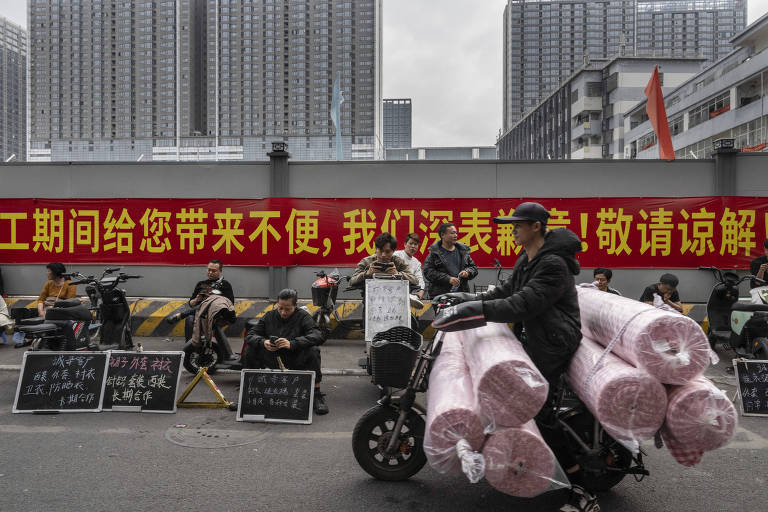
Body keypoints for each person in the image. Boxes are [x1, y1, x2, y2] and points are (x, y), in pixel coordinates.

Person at [430, 202, 598, 512]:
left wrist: (475, 310)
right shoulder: (529, 257)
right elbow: (506, 291)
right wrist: (469, 297)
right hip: (537, 334)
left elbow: (523, 303)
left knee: (539, 410)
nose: (513, 229)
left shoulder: (553, 265)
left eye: (518, 224)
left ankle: (581, 490)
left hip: (553, 341)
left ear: (536, 226)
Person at [244, 288, 328, 415]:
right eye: (280, 308)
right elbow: (250, 335)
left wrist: (293, 343)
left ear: (295, 305)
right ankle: (250, 392)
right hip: (273, 357)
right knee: (250, 348)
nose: (283, 312)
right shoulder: (269, 316)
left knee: (313, 350)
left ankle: (316, 395)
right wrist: (263, 342)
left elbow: (317, 335)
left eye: (288, 309)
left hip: (295, 358)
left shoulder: (303, 316)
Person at [166, 260, 235, 344]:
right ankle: (190, 346)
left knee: (210, 303)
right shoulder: (201, 284)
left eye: (213, 271)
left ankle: (181, 315)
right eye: (209, 270)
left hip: (216, 313)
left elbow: (230, 303)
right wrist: (196, 300)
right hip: (198, 313)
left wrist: (214, 299)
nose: (210, 272)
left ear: (220, 271)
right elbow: (191, 304)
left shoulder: (225, 285)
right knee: (190, 318)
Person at [423, 222, 478, 299]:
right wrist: (448, 279)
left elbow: (473, 268)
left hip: (461, 294)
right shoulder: (434, 253)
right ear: (443, 235)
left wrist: (467, 272)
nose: (455, 235)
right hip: (441, 296)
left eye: (456, 233)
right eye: (452, 233)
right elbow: (428, 272)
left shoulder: (463, 251)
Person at [348, 232, 419, 289]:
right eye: (381, 251)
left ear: (393, 251)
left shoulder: (398, 262)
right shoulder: (367, 262)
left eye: (387, 252)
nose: (383, 255)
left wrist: (397, 274)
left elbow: (415, 280)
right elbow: (352, 281)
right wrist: (367, 274)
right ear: (376, 249)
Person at [37, 262, 78, 350]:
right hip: (47, 312)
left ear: (56, 272)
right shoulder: (48, 284)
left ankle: (49, 343)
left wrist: (50, 301)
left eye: (49, 271)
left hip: (62, 313)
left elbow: (69, 302)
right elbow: (41, 300)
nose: (47, 273)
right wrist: (41, 311)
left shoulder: (70, 284)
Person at [393, 232, 426, 299]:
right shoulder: (396, 255)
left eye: (415, 244)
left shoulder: (416, 262)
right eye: (410, 243)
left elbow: (419, 279)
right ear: (405, 244)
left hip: (409, 290)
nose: (413, 246)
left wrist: (421, 291)